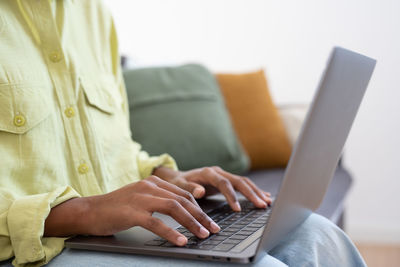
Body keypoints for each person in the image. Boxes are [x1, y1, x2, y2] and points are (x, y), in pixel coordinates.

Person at [0, 1, 366, 267]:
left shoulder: (93, 14)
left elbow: (115, 146)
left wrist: (167, 178)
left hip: (118, 234)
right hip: (37, 251)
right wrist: (84, 211)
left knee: (317, 234)